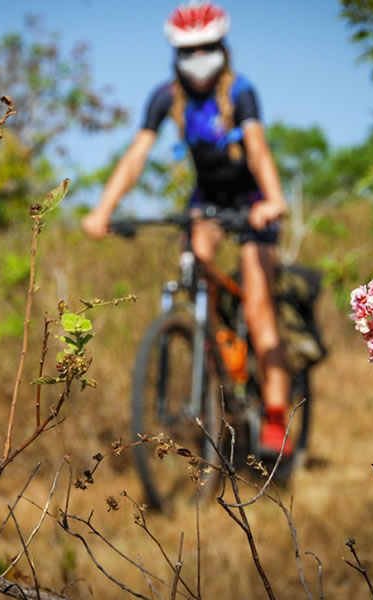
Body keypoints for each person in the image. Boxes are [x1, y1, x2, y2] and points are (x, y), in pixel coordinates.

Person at [81, 2, 293, 454]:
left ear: (221, 47)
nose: (198, 56)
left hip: (252, 203)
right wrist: (103, 210)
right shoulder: (165, 96)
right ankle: (216, 341)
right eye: (188, 49)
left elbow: (256, 149)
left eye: (206, 47)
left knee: (258, 306)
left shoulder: (241, 92)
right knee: (193, 263)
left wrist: (273, 200)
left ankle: (276, 416)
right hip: (207, 201)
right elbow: (136, 156)